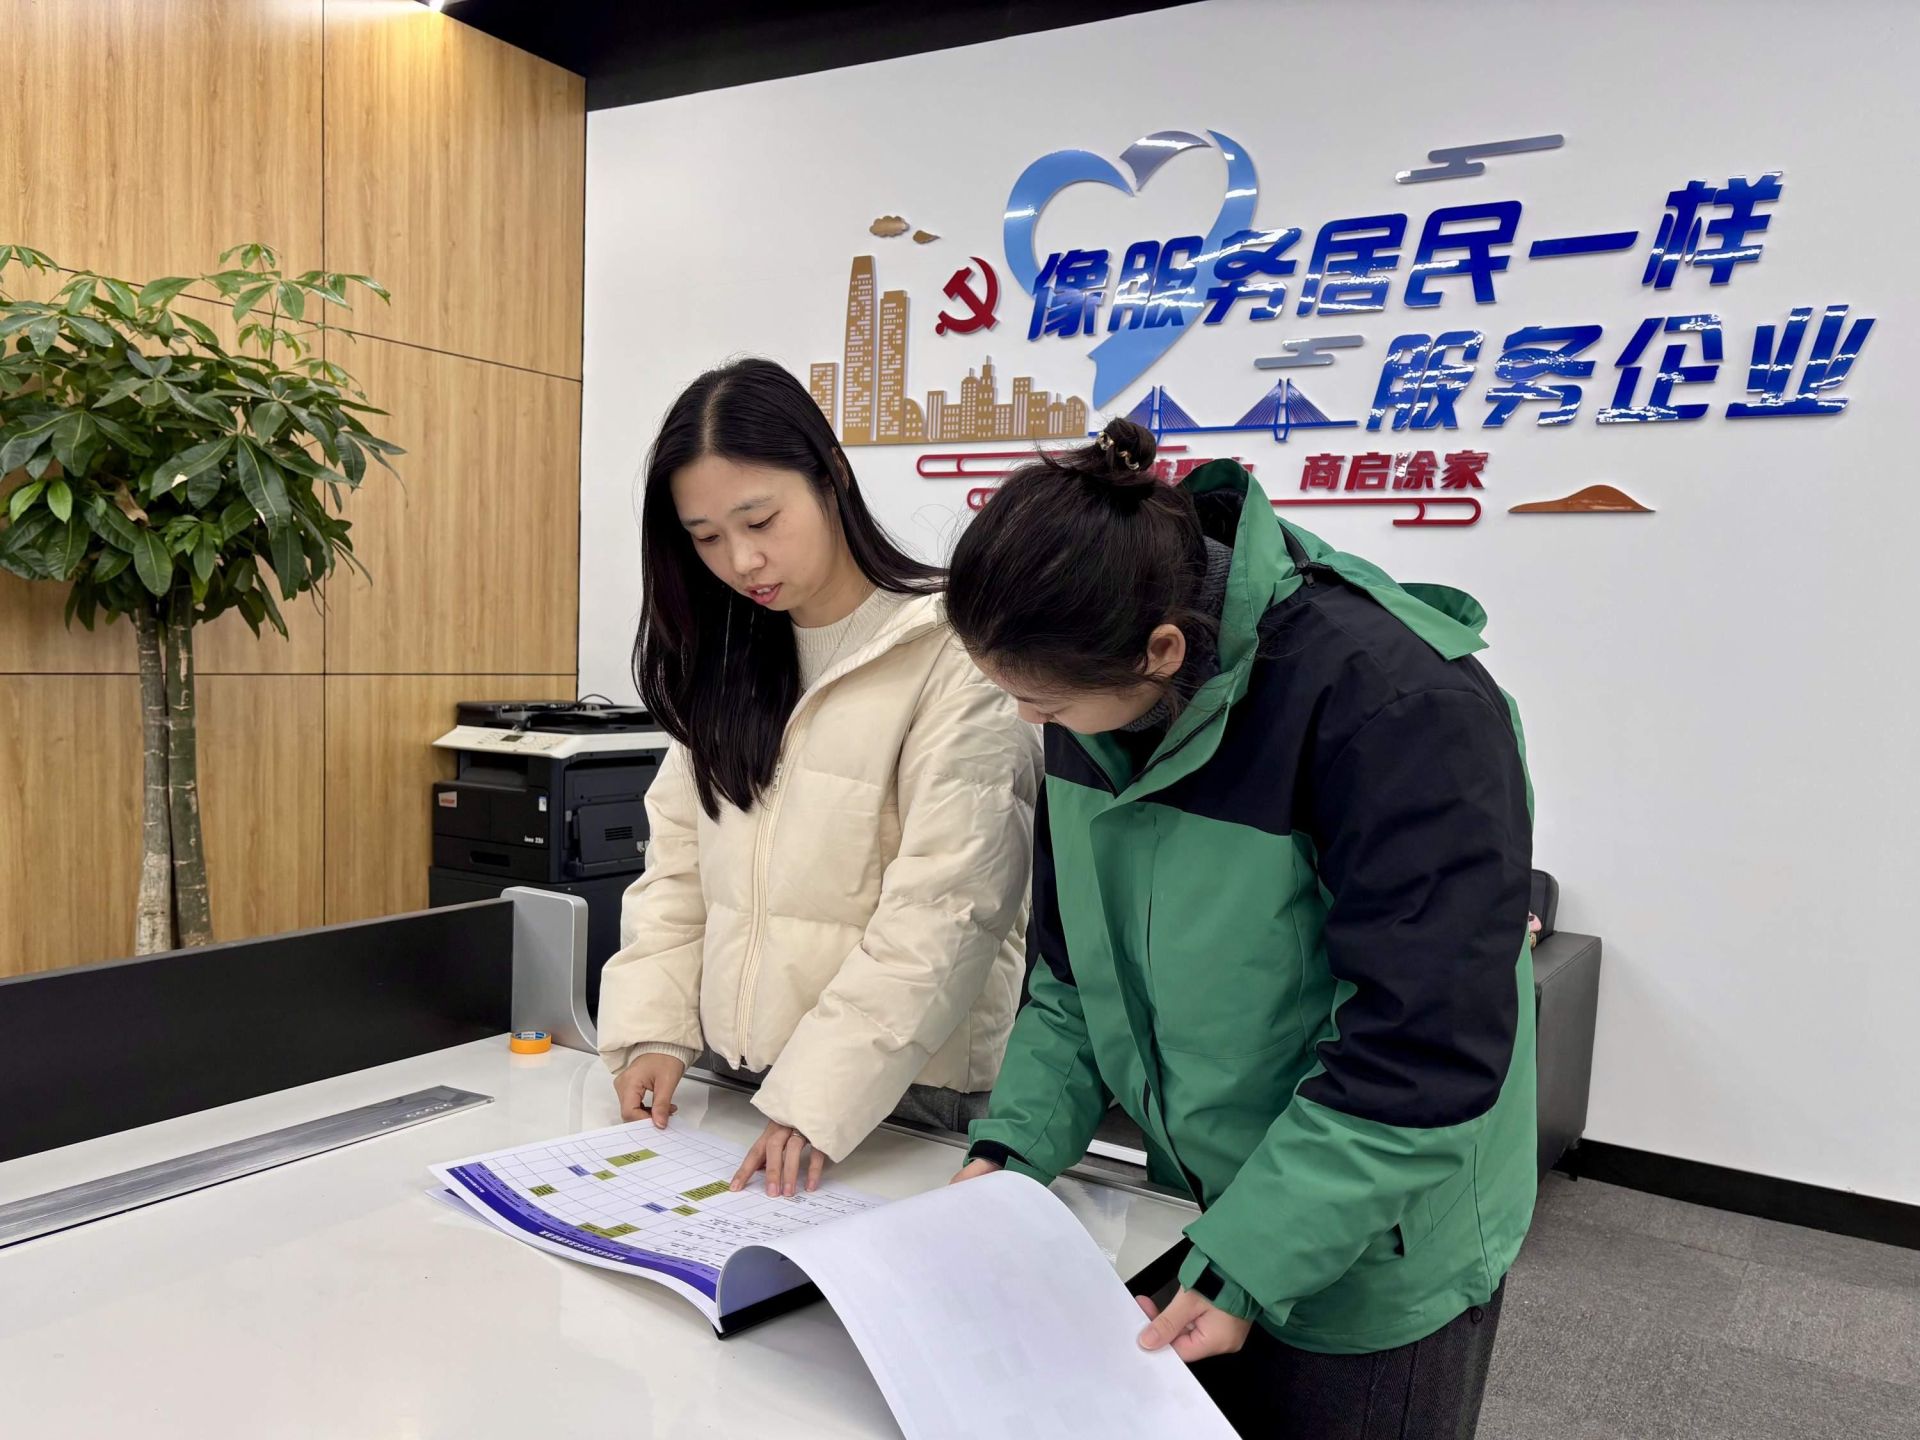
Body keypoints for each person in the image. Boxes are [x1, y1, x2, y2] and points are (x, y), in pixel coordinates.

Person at [945, 418, 1535, 1438]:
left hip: (1372, 1243)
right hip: (1193, 1211)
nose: (1029, 720)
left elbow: (1420, 1049)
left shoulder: (1399, 707)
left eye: (1038, 700)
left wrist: (1252, 1259)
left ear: (1163, 651)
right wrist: (1013, 1152)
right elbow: (1074, 974)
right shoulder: (1098, 686)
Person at [598, 358, 1039, 1198]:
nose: (742, 559)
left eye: (761, 519)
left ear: (831, 474)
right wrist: (652, 1029)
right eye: (705, 537)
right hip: (736, 1086)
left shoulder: (953, 651)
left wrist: (818, 1099)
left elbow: (946, 913)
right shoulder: (727, 659)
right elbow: (679, 873)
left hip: (907, 1098)